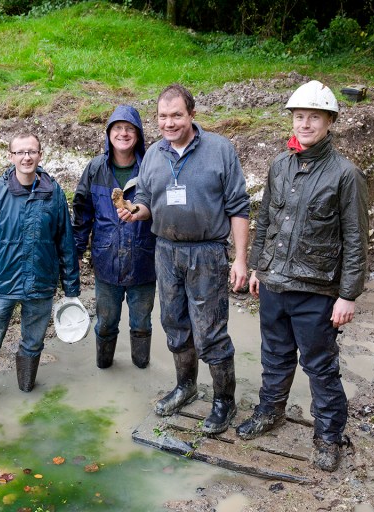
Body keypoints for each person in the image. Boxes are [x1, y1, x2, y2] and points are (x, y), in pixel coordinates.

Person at [236, 80, 369, 472]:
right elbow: (267, 221)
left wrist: (348, 295)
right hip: (275, 284)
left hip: (317, 289)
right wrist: (259, 267)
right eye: (299, 117)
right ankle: (269, 411)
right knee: (274, 356)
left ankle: (328, 436)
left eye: (313, 117)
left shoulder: (346, 175)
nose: (305, 124)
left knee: (320, 365)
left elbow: (357, 239)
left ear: (329, 121)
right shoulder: (280, 164)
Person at [118, 84, 250, 435]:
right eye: (163, 116)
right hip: (165, 250)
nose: (169, 122)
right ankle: (186, 386)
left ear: (192, 114)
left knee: (210, 330)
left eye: (177, 115)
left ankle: (224, 400)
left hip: (207, 252)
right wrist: (136, 211)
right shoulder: (154, 156)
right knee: (174, 323)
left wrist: (240, 259)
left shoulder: (220, 150)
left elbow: (239, 206)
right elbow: (146, 199)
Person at [0, 132, 80, 403]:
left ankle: (26, 391)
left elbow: (65, 242)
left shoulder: (54, 193)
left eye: (32, 152)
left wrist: (71, 289)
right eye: (20, 152)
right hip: (1, 284)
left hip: (40, 283)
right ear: (11, 157)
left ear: (40, 155)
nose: (26, 157)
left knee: (33, 342)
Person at [73, 105, 156, 369]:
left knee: (141, 321)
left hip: (144, 261)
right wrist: (75, 253)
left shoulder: (151, 167)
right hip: (106, 261)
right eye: (117, 128)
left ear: (138, 134)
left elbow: (164, 209)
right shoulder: (96, 168)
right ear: (109, 134)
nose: (123, 134)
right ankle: (104, 364)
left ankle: (141, 364)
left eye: (129, 129)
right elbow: (83, 211)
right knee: (106, 321)